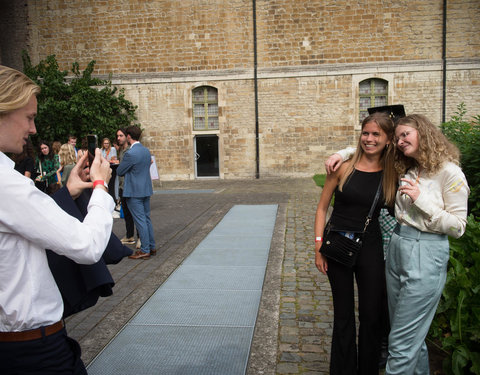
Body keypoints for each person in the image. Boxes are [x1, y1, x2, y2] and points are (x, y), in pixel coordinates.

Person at [325, 114, 470, 374]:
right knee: (413, 339)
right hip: (397, 249)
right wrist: (341, 152)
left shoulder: (449, 173)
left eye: (406, 135)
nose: (401, 141)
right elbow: (370, 147)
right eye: (399, 137)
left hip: (425, 250)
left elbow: (458, 227)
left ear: (423, 134)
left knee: (401, 342)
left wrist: (420, 199)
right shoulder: (410, 167)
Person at [0, 65, 114, 374]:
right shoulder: (6, 185)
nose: (33, 129)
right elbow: (86, 245)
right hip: (33, 350)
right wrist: (102, 188)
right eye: (28, 117)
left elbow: (21, 226)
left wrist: (67, 193)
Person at [314, 112, 397, 374]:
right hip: (337, 243)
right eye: (366, 133)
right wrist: (318, 247)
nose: (369, 139)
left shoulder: (392, 173)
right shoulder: (342, 168)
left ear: (387, 140)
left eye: (376, 135)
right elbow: (322, 208)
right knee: (343, 316)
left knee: (371, 315)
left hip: (370, 246)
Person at [117, 125, 156, 259]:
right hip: (145, 189)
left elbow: (120, 171)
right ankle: (151, 246)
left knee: (140, 221)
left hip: (134, 191)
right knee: (146, 219)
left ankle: (145, 250)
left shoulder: (130, 153)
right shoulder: (146, 150)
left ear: (128, 136)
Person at [116, 128, 137, 245]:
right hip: (121, 186)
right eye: (118, 136)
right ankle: (129, 235)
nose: (119, 138)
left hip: (129, 186)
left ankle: (139, 237)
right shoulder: (121, 151)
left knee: (135, 212)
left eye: (121, 136)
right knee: (127, 214)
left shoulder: (130, 150)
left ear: (127, 137)